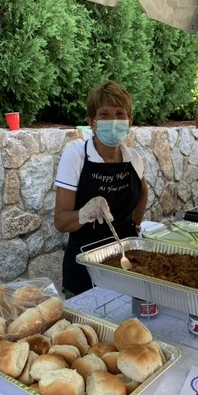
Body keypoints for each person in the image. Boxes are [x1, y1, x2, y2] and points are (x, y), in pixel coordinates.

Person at [54, 80, 148, 296]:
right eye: (104, 114)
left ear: (129, 120)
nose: (113, 121)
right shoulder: (76, 156)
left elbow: (143, 192)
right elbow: (60, 221)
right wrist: (85, 213)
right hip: (85, 268)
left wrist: (135, 225)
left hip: (125, 263)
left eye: (119, 113)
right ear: (92, 122)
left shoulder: (134, 158)